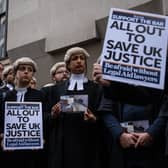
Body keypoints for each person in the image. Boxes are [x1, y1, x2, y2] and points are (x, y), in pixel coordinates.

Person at [92, 62, 166, 168]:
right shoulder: (113, 82)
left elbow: (165, 107)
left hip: (155, 145)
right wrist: (120, 135)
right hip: (124, 147)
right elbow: (106, 111)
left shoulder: (157, 79)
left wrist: (152, 133)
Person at [41, 47, 103, 168]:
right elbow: (44, 117)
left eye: (82, 58)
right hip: (63, 145)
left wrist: (94, 119)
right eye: (75, 59)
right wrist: (53, 115)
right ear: (68, 65)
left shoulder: (97, 89)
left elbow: (105, 115)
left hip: (89, 143)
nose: (79, 61)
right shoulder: (53, 91)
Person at [0, 57, 47, 168]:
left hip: (32, 151)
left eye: (30, 70)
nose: (26, 71)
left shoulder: (39, 95)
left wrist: (42, 137)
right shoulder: (6, 96)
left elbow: (44, 117)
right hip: (10, 150)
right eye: (22, 69)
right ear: (16, 73)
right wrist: (2, 136)